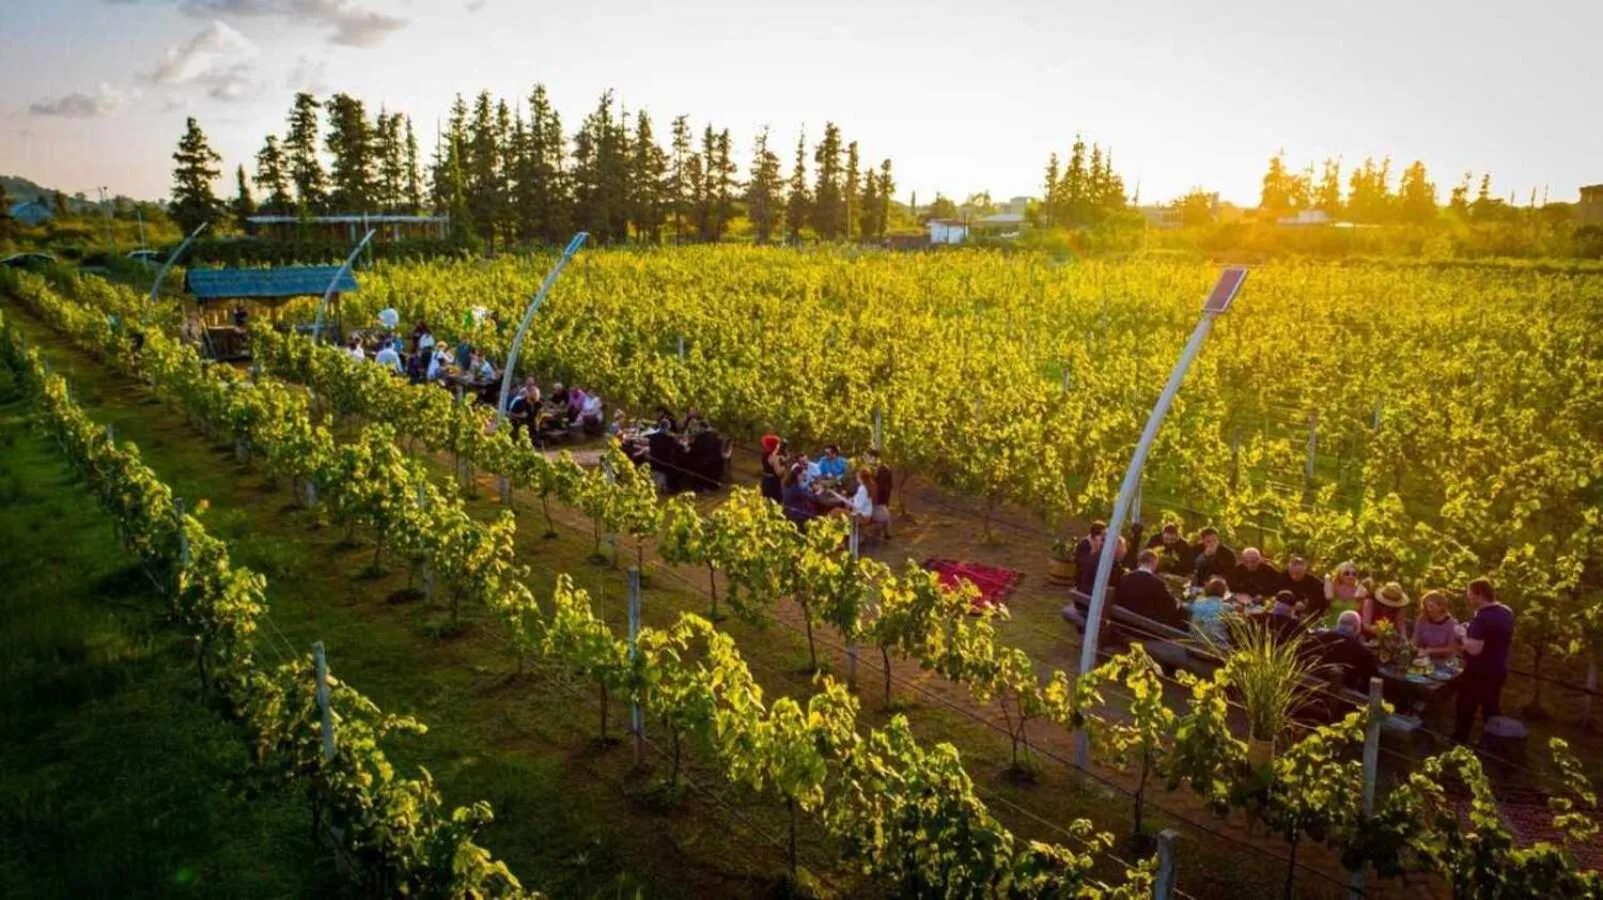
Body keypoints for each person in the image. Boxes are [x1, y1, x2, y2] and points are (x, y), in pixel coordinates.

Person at [1453, 579, 1515, 743]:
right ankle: (1493, 744)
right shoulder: (1506, 612)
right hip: (1498, 668)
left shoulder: (1482, 618)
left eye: (1470, 596)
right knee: (1491, 708)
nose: (1469, 599)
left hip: (1478, 672)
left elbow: (1474, 649)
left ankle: (1459, 743)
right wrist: (1471, 629)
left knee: (1465, 707)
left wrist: (1462, 634)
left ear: (1480, 596)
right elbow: (1492, 637)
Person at [1114, 549, 1189, 630]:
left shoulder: (1124, 578)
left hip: (1123, 623)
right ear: (1154, 563)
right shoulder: (1157, 583)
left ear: (1139, 562)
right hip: (1147, 627)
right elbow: (1170, 606)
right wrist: (1177, 602)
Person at [1314, 610, 1378, 693]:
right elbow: (1371, 681)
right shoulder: (1363, 652)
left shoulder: (1319, 639)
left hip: (1313, 691)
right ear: (1355, 628)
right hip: (1346, 699)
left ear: (1338, 624)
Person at [1412, 590, 1461, 659]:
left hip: (1445, 661)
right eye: (1426, 606)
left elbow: (1452, 648)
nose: (1428, 609)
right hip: (1423, 659)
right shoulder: (1422, 620)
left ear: (1441, 606)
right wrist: (1413, 649)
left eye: (1431, 606)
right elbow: (1415, 639)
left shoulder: (1452, 624)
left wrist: (1430, 650)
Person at [1189, 576, 1233, 646]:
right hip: (1217, 648)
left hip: (1194, 644)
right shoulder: (1227, 607)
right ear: (1224, 593)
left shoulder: (1197, 604)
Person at [1279, 555, 1327, 620]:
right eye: (1292, 573)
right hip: (1285, 611)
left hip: (1307, 614)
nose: (1294, 576)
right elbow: (1277, 593)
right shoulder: (1283, 577)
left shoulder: (1314, 583)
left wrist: (1306, 606)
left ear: (1305, 570)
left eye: (1298, 573)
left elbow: (1322, 601)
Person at [865, 448, 894, 539]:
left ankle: (886, 533)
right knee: (883, 513)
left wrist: (873, 498)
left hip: (881, 496)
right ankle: (884, 532)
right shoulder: (875, 468)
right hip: (879, 496)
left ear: (874, 458)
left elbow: (882, 487)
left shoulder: (883, 469)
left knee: (883, 513)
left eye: (868, 457)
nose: (866, 459)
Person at [781, 463, 816, 530]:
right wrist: (818, 492)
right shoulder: (797, 488)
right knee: (816, 514)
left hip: (787, 510)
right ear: (798, 475)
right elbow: (811, 497)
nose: (804, 478)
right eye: (803, 475)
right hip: (796, 512)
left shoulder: (786, 484)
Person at [759, 434, 784, 504]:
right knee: (774, 502)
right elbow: (779, 472)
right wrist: (783, 464)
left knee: (765, 500)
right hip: (773, 482)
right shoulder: (774, 458)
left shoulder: (764, 454)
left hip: (765, 480)